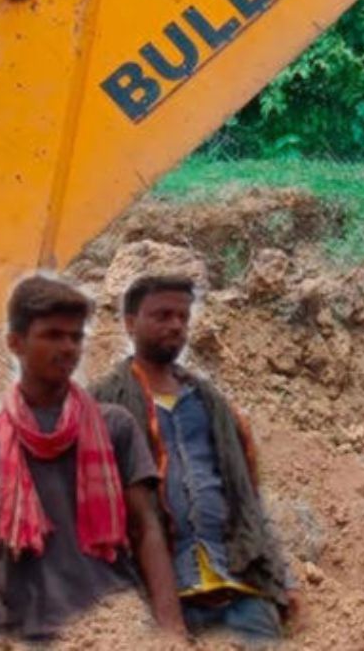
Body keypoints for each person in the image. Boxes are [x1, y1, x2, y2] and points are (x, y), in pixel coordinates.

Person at [0, 274, 185, 641]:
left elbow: (145, 528)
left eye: (75, 336)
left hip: (109, 629)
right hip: (21, 634)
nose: (68, 347)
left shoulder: (115, 425)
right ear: (15, 343)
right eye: (53, 335)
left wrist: (172, 632)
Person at [92, 274, 302, 641]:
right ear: (129, 322)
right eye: (162, 315)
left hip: (239, 591)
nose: (175, 325)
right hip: (159, 601)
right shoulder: (104, 405)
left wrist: (282, 576)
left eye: (182, 317)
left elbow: (246, 499)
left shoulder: (212, 404)